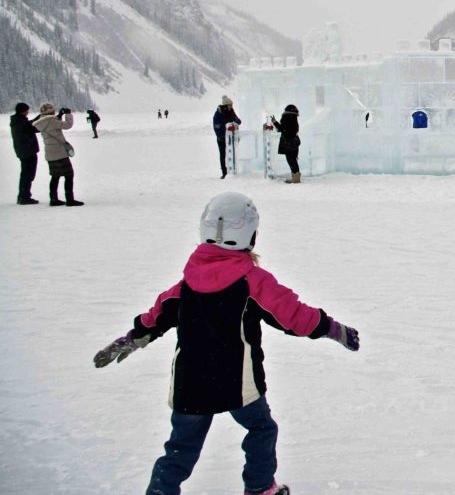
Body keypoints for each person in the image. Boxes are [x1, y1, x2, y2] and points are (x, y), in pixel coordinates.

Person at [93, 192, 360, 495]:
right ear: (251, 235)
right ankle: (260, 488)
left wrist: (132, 338)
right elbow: (294, 316)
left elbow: (156, 317)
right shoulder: (254, 282)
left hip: (189, 384)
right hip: (236, 383)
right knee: (261, 429)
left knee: (180, 448)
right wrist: (334, 329)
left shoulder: (185, 285)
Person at [34, 103, 83, 206]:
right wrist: (68, 114)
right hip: (60, 152)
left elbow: (51, 123)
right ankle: (70, 199)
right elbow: (67, 125)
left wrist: (59, 116)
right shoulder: (52, 121)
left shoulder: (40, 123)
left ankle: (53, 199)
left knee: (55, 176)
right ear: (50, 111)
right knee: (69, 175)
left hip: (49, 153)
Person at [9, 102, 40, 205]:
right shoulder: (20, 122)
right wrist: (41, 118)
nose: (28, 112)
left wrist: (40, 117)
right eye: (26, 110)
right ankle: (24, 197)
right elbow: (32, 128)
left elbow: (30, 125)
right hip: (27, 151)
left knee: (26, 174)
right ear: (23, 111)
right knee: (28, 175)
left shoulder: (18, 120)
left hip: (24, 151)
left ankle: (23, 196)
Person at [270, 104, 301, 183]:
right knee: (293, 159)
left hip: (288, 143)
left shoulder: (286, 118)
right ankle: (296, 177)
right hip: (294, 142)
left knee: (291, 160)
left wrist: (274, 122)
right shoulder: (294, 118)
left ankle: (295, 178)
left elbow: (282, 129)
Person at [213, 96, 242, 179]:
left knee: (232, 153)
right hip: (221, 138)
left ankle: (232, 170)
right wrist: (221, 135)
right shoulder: (218, 113)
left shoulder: (231, 112)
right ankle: (224, 172)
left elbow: (239, 121)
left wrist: (234, 118)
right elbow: (216, 126)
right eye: (229, 105)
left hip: (230, 138)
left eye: (231, 105)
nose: (231, 107)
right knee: (223, 155)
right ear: (225, 106)